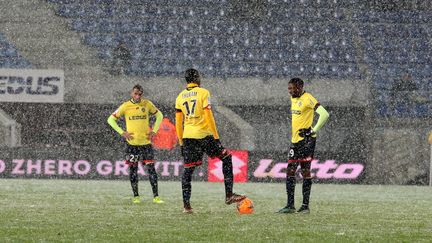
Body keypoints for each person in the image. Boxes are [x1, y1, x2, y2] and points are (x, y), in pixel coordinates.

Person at [175, 68, 246, 213]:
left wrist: (181, 143)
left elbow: (178, 123)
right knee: (226, 157)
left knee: (188, 170)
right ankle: (229, 195)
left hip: (188, 137)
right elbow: (209, 117)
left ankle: (186, 206)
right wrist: (216, 137)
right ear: (197, 78)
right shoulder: (203, 92)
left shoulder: (179, 97)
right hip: (204, 135)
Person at [278, 78, 330, 214]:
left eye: (292, 88)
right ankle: (290, 205)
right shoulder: (293, 99)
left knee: (305, 171)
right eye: (288, 89)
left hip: (306, 141)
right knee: (290, 170)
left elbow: (324, 114)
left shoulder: (308, 98)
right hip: (295, 141)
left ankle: (305, 206)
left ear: (300, 87)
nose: (290, 91)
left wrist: (313, 130)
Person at [107, 84, 164, 204]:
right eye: (135, 93)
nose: (137, 96)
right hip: (132, 145)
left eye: (140, 94)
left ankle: (156, 196)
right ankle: (136, 196)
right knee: (133, 170)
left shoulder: (147, 104)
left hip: (146, 144)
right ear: (131, 93)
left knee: (151, 170)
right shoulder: (126, 106)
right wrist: (122, 132)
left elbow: (160, 115)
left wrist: (154, 131)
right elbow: (110, 119)